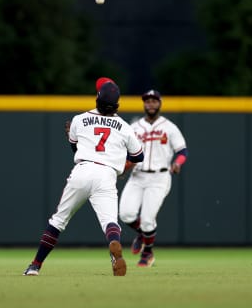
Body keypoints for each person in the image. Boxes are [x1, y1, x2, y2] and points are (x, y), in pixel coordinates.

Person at [23, 77, 144, 276]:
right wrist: (121, 164)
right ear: (117, 105)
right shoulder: (124, 127)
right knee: (110, 223)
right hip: (107, 174)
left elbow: (75, 146)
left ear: (97, 99)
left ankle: (35, 266)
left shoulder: (79, 119)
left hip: (82, 170)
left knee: (59, 220)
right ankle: (114, 246)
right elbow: (138, 155)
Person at [119, 89, 187, 267]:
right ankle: (143, 235)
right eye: (147, 101)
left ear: (160, 103)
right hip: (137, 176)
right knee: (126, 214)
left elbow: (182, 151)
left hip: (160, 177)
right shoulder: (134, 128)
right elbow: (124, 152)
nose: (150, 104)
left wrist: (178, 163)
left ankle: (147, 253)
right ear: (144, 104)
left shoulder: (169, 127)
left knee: (148, 220)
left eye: (154, 101)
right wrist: (123, 166)